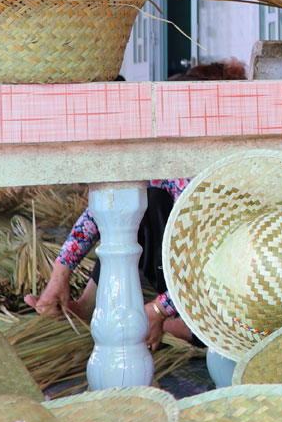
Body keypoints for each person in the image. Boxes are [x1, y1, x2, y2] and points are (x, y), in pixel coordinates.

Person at [25, 59, 246, 350]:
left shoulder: (190, 167)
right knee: (125, 202)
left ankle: (186, 326)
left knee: (145, 203)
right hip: (192, 280)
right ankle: (91, 306)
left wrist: (157, 310)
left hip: (225, 289)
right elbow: (96, 215)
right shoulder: (152, 156)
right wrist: (60, 273)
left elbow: (205, 265)